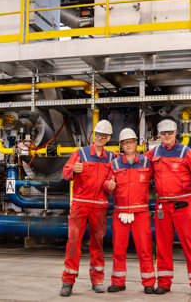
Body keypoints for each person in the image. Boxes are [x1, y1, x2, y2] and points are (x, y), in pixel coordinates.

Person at [144, 119, 191, 297]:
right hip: (162, 208)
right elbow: (139, 166)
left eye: (170, 133)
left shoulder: (186, 152)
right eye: (163, 133)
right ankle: (164, 283)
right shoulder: (153, 152)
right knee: (163, 247)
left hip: (184, 207)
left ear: (176, 134)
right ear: (159, 135)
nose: (166, 136)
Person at [59, 120, 115, 297]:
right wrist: (73, 170)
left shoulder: (111, 158)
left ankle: (97, 280)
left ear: (108, 138)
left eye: (103, 136)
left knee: (97, 244)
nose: (100, 138)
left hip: (99, 207)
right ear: (93, 136)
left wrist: (110, 186)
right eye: (98, 135)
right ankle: (68, 281)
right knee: (73, 242)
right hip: (80, 205)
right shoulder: (80, 153)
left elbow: (110, 181)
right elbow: (66, 172)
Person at [105, 128, 156, 294]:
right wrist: (109, 186)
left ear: (136, 143)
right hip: (120, 213)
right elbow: (106, 183)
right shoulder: (114, 164)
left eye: (131, 142)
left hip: (141, 212)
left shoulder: (147, 163)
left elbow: (160, 177)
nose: (128, 145)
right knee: (118, 250)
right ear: (121, 146)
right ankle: (118, 282)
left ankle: (148, 283)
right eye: (125, 143)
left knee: (145, 249)